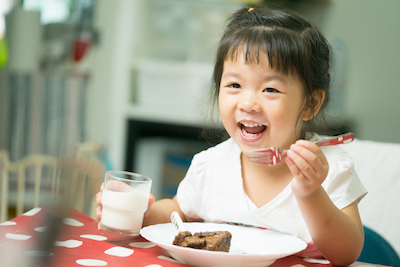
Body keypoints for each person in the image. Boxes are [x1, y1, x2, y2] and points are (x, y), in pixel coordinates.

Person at [96, 6, 367, 266]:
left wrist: (311, 193)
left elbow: (346, 253)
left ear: (310, 104)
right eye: (235, 85)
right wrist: (141, 214)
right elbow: (178, 212)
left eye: (270, 89)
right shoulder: (210, 166)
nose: (248, 103)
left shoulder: (329, 168)